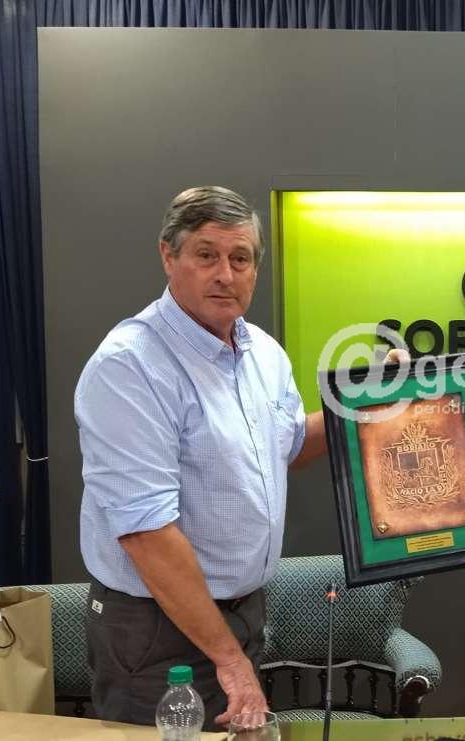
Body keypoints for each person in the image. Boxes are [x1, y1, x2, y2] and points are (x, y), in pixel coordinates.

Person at [74, 186, 327, 730]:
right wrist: (230, 662)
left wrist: (365, 406)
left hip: (242, 615)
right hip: (156, 632)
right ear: (169, 257)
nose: (225, 275)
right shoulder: (130, 366)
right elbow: (146, 533)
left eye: (241, 258)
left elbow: (287, 446)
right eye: (206, 255)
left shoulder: (263, 354)